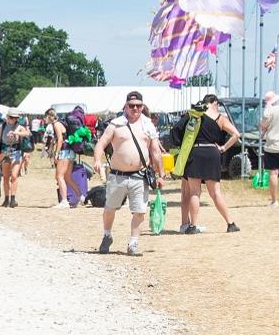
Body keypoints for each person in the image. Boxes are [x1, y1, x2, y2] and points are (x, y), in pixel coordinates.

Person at [92, 91, 164, 256]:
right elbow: (101, 143)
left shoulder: (148, 126)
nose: (135, 109)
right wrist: (97, 159)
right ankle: (107, 235)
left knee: (139, 211)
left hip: (139, 176)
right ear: (125, 106)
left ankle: (133, 243)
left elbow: (156, 152)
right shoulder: (116, 124)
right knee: (110, 208)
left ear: (143, 106)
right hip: (118, 175)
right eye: (131, 106)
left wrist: (161, 174)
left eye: (139, 106)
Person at [178, 94, 240, 234]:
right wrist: (223, 148)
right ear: (214, 103)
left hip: (195, 152)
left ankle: (193, 225)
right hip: (212, 152)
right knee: (216, 193)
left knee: (194, 192)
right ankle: (230, 223)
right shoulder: (220, 118)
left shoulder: (195, 115)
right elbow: (236, 134)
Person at [0, 109, 27, 207]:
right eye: (11, 117)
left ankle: (13, 198)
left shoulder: (19, 127)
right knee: (6, 177)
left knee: (15, 176)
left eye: (15, 118)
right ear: (7, 117)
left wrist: (16, 133)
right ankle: (6, 199)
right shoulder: (2, 126)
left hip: (16, 152)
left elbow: (26, 133)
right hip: (5, 153)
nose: (13, 119)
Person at [43, 109, 69, 206]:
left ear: (49, 116)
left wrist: (57, 153)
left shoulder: (56, 125)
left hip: (64, 151)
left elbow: (60, 139)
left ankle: (64, 201)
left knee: (59, 176)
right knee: (67, 177)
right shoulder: (57, 124)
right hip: (68, 151)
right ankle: (82, 197)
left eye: (45, 117)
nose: (44, 119)